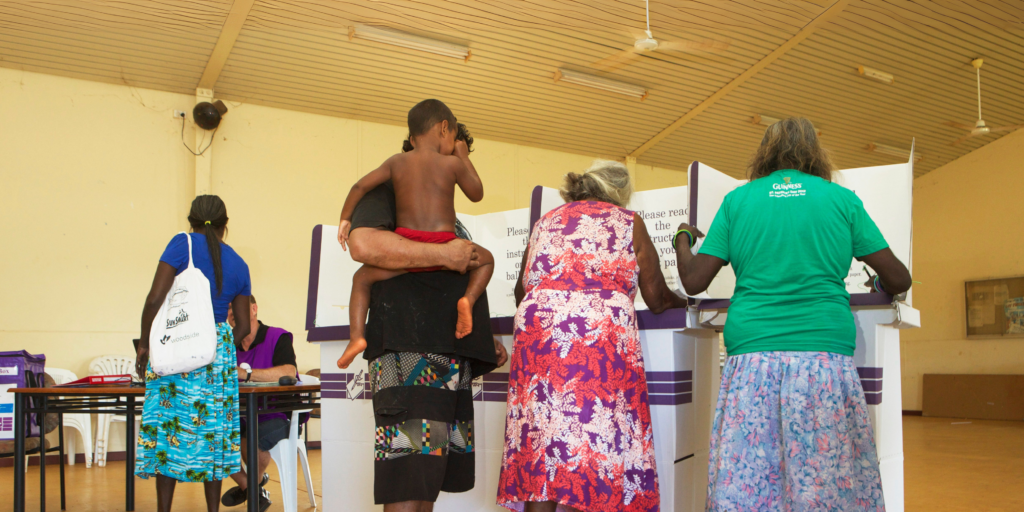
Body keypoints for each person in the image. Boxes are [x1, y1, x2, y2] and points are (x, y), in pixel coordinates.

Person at [672, 117, 913, 511]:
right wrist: (881, 287)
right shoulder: (840, 200)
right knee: (825, 482)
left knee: (750, 483)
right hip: (825, 361)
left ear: (765, 154)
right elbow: (898, 277)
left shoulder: (738, 201)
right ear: (815, 154)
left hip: (752, 358)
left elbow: (694, 280)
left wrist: (683, 238)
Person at [497, 160, 687, 512]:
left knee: (545, 447)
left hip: (539, 340)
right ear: (619, 193)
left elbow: (521, 291)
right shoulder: (628, 222)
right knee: (598, 440)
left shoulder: (545, 221)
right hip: (597, 338)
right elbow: (657, 297)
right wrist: (683, 301)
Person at [343, 134, 507, 512]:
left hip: (447, 356)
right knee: (406, 477)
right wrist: (443, 253)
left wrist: (484, 337)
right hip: (407, 355)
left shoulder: (446, 211)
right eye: (455, 154)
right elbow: (364, 246)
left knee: (427, 477)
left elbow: (456, 276)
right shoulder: (389, 189)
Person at [336, 100, 494, 369]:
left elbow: (359, 185)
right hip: (445, 244)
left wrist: (345, 218)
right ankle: (467, 300)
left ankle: (356, 338)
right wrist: (462, 156)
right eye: (454, 136)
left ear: (411, 137)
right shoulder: (452, 164)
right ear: (445, 128)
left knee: (361, 278)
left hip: (408, 245)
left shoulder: (396, 162)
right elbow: (477, 193)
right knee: (487, 260)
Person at [135, 195, 252, 512]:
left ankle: (164, 509)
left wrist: (145, 344)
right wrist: (218, 342)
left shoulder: (181, 243)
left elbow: (154, 299)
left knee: (168, 432)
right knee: (214, 435)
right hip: (217, 361)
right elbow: (243, 326)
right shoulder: (239, 263)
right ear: (225, 225)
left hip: (177, 352)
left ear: (192, 220)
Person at [220, 295, 300, 512]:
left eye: (236, 307)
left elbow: (289, 371)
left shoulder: (277, 336)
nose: (231, 313)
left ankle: (252, 488)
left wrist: (246, 374)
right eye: (228, 309)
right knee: (213, 439)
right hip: (241, 413)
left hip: (279, 415)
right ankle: (251, 488)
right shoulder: (227, 345)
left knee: (249, 440)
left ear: (254, 309)